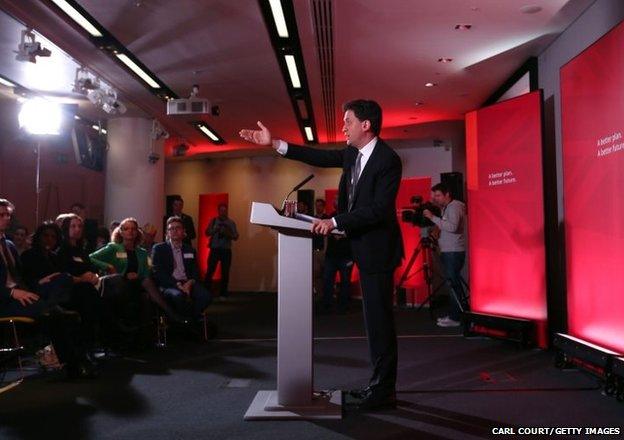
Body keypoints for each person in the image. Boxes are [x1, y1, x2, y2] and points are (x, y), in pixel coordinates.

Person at [240, 99, 404, 411]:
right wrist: (275, 143)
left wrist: (335, 221)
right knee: (374, 323)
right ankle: (379, 386)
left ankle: (384, 391)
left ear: (366, 125)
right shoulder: (353, 154)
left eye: (348, 121)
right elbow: (317, 156)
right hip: (363, 249)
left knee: (380, 323)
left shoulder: (387, 159)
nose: (343, 126)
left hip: (379, 253)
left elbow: (379, 210)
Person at [0, 199, 97, 378]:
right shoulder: (20, 250)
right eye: (2, 215)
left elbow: (20, 278)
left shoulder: (9, 246)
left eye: (8, 215)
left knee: (59, 304)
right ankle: (75, 365)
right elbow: (12, 285)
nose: (6, 218)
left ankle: (75, 365)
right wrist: (12, 292)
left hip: (23, 295)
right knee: (57, 312)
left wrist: (37, 285)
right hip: (4, 300)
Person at [90, 218, 184, 349]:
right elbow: (90, 258)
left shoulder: (142, 252)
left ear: (137, 232)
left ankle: (144, 336)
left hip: (137, 284)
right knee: (145, 291)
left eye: (133, 229)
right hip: (119, 285)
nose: (130, 232)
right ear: (121, 232)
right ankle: (169, 312)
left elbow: (144, 273)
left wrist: (137, 275)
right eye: (126, 229)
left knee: (145, 286)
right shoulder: (114, 248)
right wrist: (109, 266)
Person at [152, 217, 212, 331]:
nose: (174, 231)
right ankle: (185, 323)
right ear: (167, 233)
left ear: (183, 231)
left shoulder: (190, 249)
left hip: (188, 283)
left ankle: (187, 320)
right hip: (169, 284)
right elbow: (158, 273)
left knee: (206, 297)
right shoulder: (159, 249)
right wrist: (177, 285)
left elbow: (195, 271)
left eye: (178, 228)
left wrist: (189, 283)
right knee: (178, 296)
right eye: (171, 229)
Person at [424, 183, 467, 328]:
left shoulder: (455, 206)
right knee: (453, 285)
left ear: (447, 194)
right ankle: (457, 315)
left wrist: (433, 217)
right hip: (449, 251)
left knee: (453, 285)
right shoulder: (447, 207)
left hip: (453, 252)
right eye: (434, 196)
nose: (435, 198)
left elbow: (452, 227)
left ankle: (457, 317)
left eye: (438, 195)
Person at [57, 214, 101, 350]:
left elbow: (91, 269)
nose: (77, 229)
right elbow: (62, 274)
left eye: (80, 226)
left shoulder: (81, 250)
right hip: (69, 291)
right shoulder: (62, 250)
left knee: (96, 293)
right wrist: (82, 278)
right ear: (66, 228)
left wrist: (95, 276)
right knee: (88, 294)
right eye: (73, 226)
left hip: (86, 288)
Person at [322, 198, 354, 313]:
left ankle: (344, 306)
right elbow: (325, 234)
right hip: (331, 256)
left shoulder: (350, 217)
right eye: (336, 204)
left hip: (346, 255)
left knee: (345, 281)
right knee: (327, 280)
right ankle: (327, 305)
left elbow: (353, 234)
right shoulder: (331, 217)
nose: (337, 205)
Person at [204, 203, 238, 299]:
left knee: (225, 272)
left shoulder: (231, 223)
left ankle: (223, 293)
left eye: (225, 210)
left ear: (227, 211)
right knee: (210, 271)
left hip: (226, 250)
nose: (223, 212)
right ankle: (206, 292)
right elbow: (207, 233)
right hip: (214, 249)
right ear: (218, 211)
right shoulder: (213, 221)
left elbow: (236, 237)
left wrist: (227, 233)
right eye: (221, 210)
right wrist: (215, 230)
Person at [313, 199, 328, 299]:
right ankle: (319, 295)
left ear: (323, 207)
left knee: (326, 275)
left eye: (320, 205)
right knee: (317, 275)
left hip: (325, 251)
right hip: (315, 251)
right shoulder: (312, 218)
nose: (318, 207)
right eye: (316, 205)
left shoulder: (328, 219)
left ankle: (327, 296)